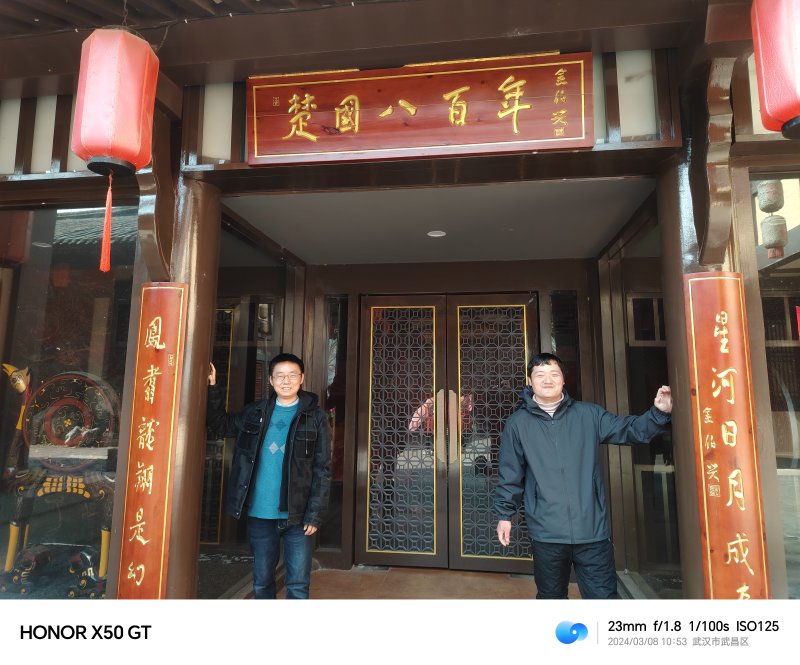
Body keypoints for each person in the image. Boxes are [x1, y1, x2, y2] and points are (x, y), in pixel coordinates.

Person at [494, 352, 672, 599]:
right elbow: (510, 472)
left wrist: (658, 413)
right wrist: (505, 515)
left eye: (554, 374)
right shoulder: (518, 424)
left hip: (592, 529)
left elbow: (629, 430)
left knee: (603, 599)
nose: (548, 380)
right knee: (551, 598)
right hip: (547, 531)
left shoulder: (589, 415)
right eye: (540, 375)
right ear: (530, 381)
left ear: (563, 379)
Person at [206, 352, 331, 599]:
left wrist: (315, 515)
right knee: (262, 583)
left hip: (298, 516)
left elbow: (322, 468)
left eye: (292, 375)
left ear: (301, 378)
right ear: (271, 380)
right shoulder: (255, 412)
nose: (286, 381)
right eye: (280, 376)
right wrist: (213, 387)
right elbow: (221, 425)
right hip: (260, 515)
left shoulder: (316, 417)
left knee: (298, 585)